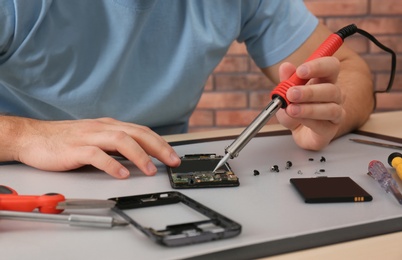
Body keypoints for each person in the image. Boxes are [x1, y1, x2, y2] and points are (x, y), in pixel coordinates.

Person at [0, 0, 374, 179]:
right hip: (24, 178)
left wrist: (329, 114)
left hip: (163, 171)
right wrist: (23, 136)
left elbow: (350, 71)